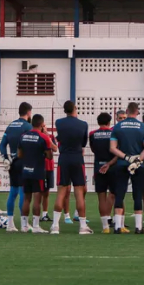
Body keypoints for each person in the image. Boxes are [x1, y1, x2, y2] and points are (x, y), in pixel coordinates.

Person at [50, 100, 92, 234]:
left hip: (64, 158)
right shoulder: (83, 124)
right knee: (79, 192)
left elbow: (60, 138)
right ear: (75, 108)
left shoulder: (59, 122)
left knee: (61, 192)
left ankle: (55, 226)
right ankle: (83, 226)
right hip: (77, 158)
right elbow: (83, 143)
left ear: (64, 110)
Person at [109, 102, 144, 234]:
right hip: (138, 165)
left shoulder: (118, 126)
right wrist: (138, 160)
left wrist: (126, 157)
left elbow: (112, 148)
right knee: (137, 194)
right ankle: (138, 227)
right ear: (137, 112)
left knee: (119, 193)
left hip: (122, 163)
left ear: (127, 111)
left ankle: (117, 226)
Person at [17, 114, 54, 234]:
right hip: (38, 171)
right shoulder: (44, 138)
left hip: (25, 170)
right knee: (37, 198)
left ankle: (24, 226)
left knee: (26, 198)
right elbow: (50, 156)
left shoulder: (23, 136)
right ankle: (36, 226)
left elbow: (19, 154)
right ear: (42, 124)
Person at [0, 102, 33, 230]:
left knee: (13, 191)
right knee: (23, 191)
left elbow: (2, 145)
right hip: (24, 161)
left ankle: (10, 224)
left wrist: (5, 158)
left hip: (12, 162)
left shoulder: (10, 125)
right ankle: (24, 224)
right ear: (28, 112)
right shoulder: (28, 126)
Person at [89, 112, 117, 233]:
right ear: (109, 122)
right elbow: (117, 151)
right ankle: (118, 223)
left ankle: (105, 227)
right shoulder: (113, 133)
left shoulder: (92, 134)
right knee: (115, 194)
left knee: (101, 197)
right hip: (112, 167)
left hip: (98, 167)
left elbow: (93, 149)